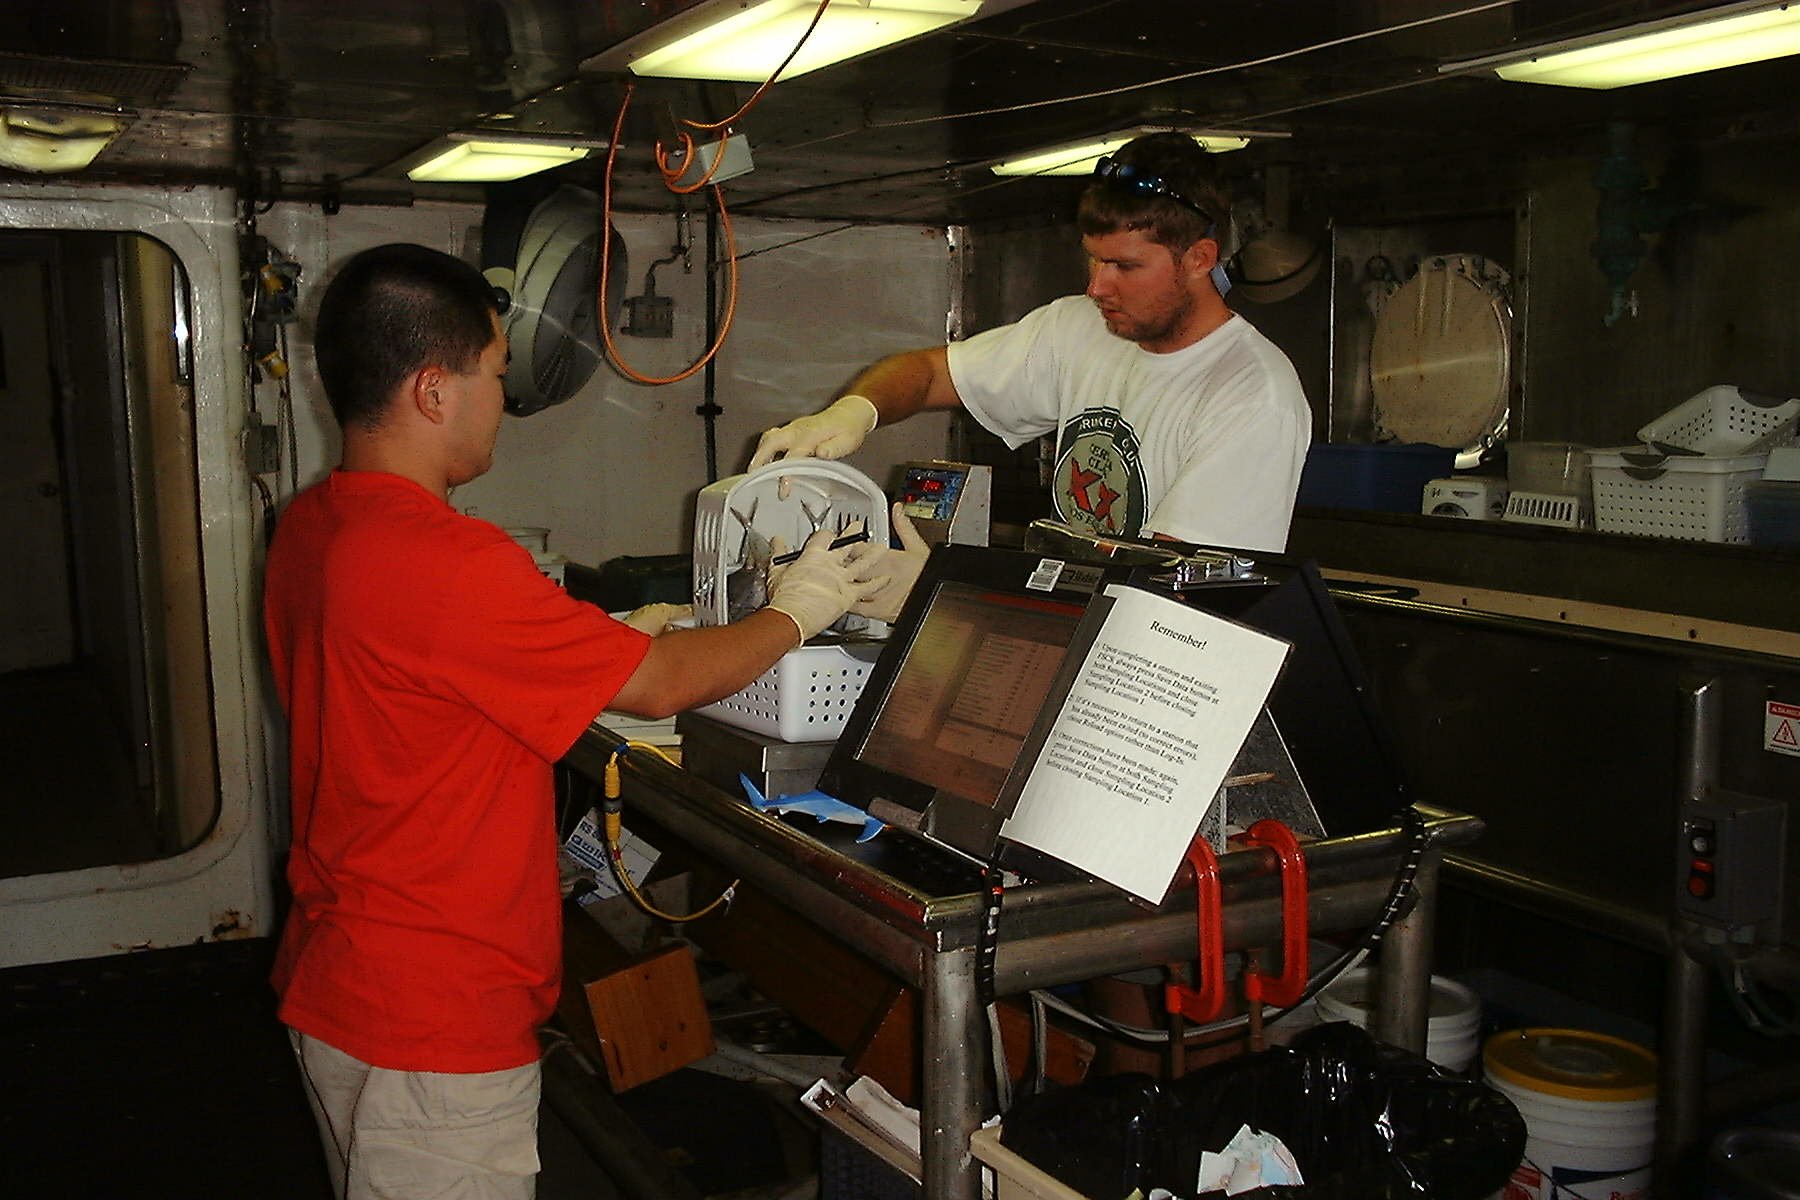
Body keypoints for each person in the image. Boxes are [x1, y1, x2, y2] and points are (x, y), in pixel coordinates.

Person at [263, 242, 888, 1200]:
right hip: (436, 1017)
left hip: (340, 973)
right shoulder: (451, 559)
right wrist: (796, 609)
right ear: (435, 389)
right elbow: (662, 686)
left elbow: (422, 679)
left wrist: (595, 635)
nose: (500, 410)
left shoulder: (314, 527)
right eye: (494, 376)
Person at [749, 131, 1311, 621]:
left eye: (1125, 266)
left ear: (1198, 258)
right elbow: (924, 374)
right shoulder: (1079, 329)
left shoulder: (1252, 394)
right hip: (1062, 637)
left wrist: (947, 589)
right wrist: (851, 413)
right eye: (1094, 259)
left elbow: (1168, 595)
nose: (1098, 286)